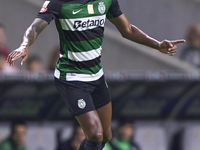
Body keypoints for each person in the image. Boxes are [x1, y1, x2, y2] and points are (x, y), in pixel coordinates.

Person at [6, 0, 185, 149]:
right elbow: (35, 27)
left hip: (96, 76)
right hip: (71, 78)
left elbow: (128, 30)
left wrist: (157, 45)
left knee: (106, 136)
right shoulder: (58, 2)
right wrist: (25, 44)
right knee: (95, 134)